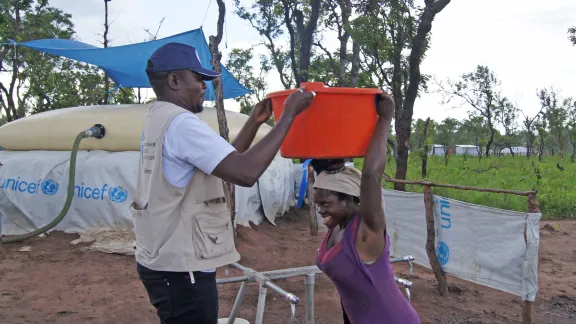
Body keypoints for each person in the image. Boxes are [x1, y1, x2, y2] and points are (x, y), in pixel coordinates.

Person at [132, 42, 315, 324]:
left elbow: (225, 163)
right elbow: (244, 173)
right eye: (199, 78)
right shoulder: (182, 124)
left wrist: (253, 122)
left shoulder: (160, 118)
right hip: (181, 265)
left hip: (164, 257)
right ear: (174, 80)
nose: (204, 86)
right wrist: (288, 115)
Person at [312, 92, 421, 324]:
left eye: (326, 204)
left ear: (350, 200)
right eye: (317, 204)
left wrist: (384, 119)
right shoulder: (337, 227)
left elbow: (371, 175)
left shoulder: (366, 232)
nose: (320, 210)